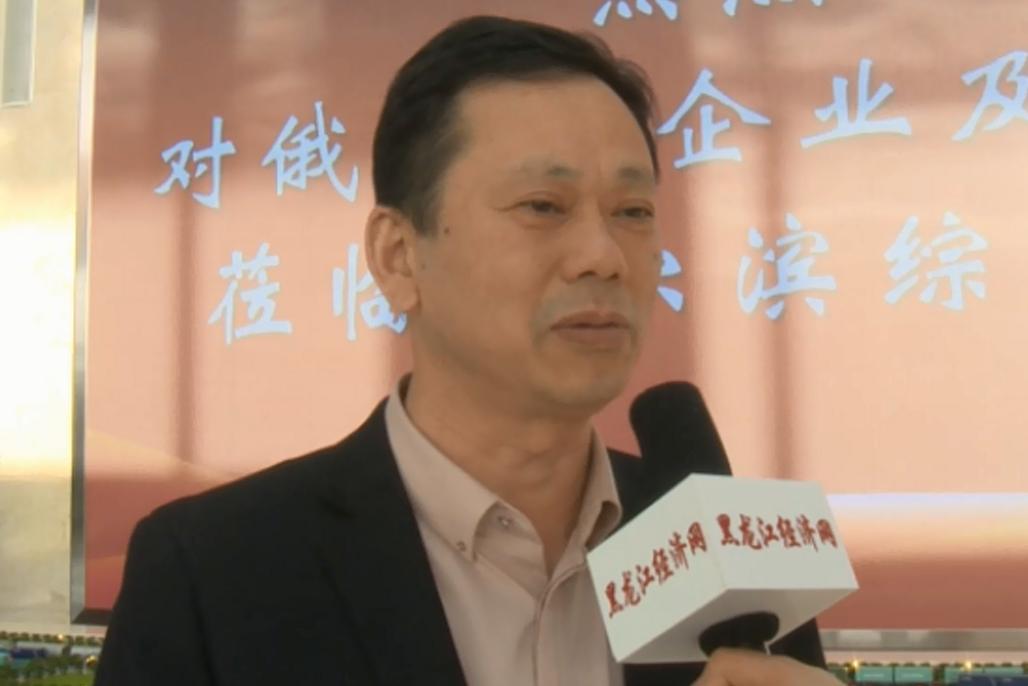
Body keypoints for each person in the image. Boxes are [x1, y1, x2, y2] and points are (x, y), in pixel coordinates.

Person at [96, 15, 838, 686]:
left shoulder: (737, 565)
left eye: (633, 211)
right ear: (397, 256)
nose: (604, 255)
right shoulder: (213, 576)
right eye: (543, 206)